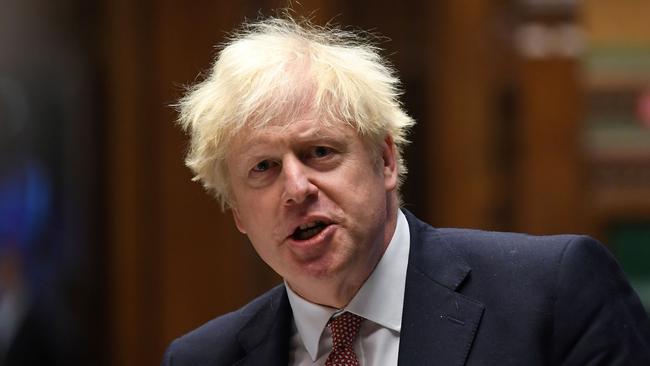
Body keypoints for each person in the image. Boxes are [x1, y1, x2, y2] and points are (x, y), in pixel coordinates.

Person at [162, 15, 650, 366]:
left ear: (387, 161)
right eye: (263, 167)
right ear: (238, 215)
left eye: (320, 153)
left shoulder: (552, 294)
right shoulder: (202, 357)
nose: (295, 188)